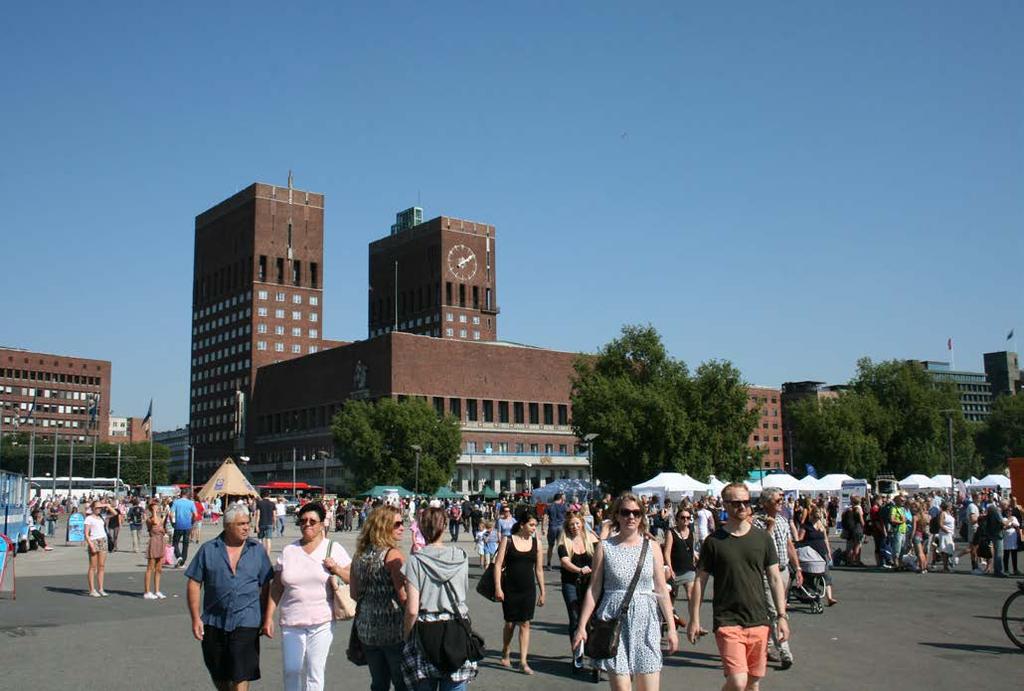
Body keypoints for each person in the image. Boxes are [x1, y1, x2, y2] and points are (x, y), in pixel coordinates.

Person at [688, 483, 790, 691]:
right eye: (736, 503)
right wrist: (694, 619)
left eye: (746, 502)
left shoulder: (762, 539)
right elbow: (700, 581)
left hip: (759, 620)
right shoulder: (714, 542)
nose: (742, 507)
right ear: (725, 505)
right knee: (737, 681)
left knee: (753, 682)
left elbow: (774, 578)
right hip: (727, 620)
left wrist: (781, 616)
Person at [574, 493, 677, 688]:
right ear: (617, 516)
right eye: (626, 512)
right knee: (621, 687)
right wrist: (581, 626)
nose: (631, 517)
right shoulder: (605, 547)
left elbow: (662, 589)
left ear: (642, 517)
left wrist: (671, 628)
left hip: (646, 621)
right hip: (615, 621)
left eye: (636, 513)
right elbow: (594, 589)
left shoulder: (652, 547)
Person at [262, 502, 351, 691]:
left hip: (322, 621)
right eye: (303, 521)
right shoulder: (289, 551)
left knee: (315, 671)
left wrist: (336, 568)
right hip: (291, 621)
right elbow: (277, 587)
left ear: (321, 525)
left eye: (312, 521)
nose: (307, 524)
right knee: (291, 669)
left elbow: (353, 578)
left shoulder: (333, 548)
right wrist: (268, 617)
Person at [187, 503, 274, 691]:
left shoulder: (257, 550)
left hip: (247, 619)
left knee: (241, 672)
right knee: (219, 672)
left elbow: (266, 585)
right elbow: (194, 582)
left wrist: (266, 617)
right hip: (214, 620)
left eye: (247, 523)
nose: (246, 528)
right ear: (227, 526)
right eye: (241, 524)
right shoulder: (208, 549)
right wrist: (195, 618)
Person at [401, 506, 478, 690]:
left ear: (421, 528)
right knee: (455, 684)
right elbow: (463, 591)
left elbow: (412, 609)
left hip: (426, 628)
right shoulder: (461, 556)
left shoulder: (415, 560)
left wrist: (406, 636)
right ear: (445, 526)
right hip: (455, 625)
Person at [351, 505, 407, 691]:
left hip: (367, 629)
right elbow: (403, 596)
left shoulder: (359, 555)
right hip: (393, 629)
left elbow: (354, 593)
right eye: (397, 524)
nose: (402, 527)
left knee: (379, 683)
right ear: (384, 526)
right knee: (402, 682)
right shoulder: (393, 555)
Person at [750, 489, 801, 670]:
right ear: (766, 503)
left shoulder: (782, 519)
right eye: (778, 500)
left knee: (779, 607)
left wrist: (798, 568)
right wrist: (769, 528)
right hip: (767, 573)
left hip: (784, 570)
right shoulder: (757, 521)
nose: (781, 502)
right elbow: (761, 548)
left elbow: (789, 545)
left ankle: (768, 647)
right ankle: (784, 650)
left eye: (782, 499)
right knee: (775, 611)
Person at [494, 508, 546, 674]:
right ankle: (506, 650)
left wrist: (543, 591)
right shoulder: (507, 540)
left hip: (528, 589)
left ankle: (523, 661)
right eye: (531, 525)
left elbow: (539, 569)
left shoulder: (536, 543)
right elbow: (498, 565)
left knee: (525, 623)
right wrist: (498, 587)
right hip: (509, 588)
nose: (533, 528)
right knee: (510, 623)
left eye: (535, 526)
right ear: (522, 524)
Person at [558, 511, 599, 673]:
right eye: (571, 525)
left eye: (577, 523)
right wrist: (579, 570)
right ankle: (577, 652)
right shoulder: (564, 542)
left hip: (591, 584)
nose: (574, 527)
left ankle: (593, 651)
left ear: (582, 523)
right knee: (575, 618)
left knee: (592, 618)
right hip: (571, 583)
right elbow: (564, 561)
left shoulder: (592, 539)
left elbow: (602, 555)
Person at [795, 505, 838, 606]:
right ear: (812, 515)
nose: (818, 518)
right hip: (810, 553)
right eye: (816, 516)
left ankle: (829, 598)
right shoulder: (806, 526)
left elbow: (825, 540)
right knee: (812, 575)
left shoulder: (821, 525)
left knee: (826, 575)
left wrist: (828, 552)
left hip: (822, 552)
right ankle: (811, 593)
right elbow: (800, 539)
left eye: (820, 516)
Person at [85, 500, 110, 597]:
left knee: (102, 566)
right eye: (97, 508)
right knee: (93, 566)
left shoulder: (101, 517)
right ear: (92, 508)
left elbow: (115, 513)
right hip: (94, 540)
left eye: (100, 508)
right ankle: (92, 589)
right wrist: (91, 545)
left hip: (103, 540)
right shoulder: (89, 518)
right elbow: (86, 534)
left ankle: (101, 588)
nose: (99, 509)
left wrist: (105, 505)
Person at [144, 500, 168, 599]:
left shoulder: (161, 518)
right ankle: (147, 591)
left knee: (159, 568)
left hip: (161, 542)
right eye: (154, 507)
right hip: (153, 542)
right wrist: (153, 511)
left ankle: (157, 590)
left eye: (157, 506)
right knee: (150, 567)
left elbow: (163, 527)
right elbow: (155, 522)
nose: (156, 508)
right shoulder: (149, 519)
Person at [172, 489, 199, 568]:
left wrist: (172, 523)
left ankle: (179, 557)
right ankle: (182, 562)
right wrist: (192, 521)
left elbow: (170, 514)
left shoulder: (176, 502)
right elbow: (196, 515)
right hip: (187, 526)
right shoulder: (191, 503)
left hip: (178, 525)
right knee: (185, 544)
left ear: (181, 494)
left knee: (175, 543)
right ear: (187, 494)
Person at [545, 493, 568, 569]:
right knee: (561, 546)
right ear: (560, 498)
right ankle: (563, 563)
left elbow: (545, 517)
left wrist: (542, 528)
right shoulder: (563, 506)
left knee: (550, 546)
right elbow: (567, 515)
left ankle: (549, 563)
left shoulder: (549, 506)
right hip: (561, 526)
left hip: (552, 526)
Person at [256, 491, 277, 556]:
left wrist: (256, 525)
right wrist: (274, 524)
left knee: (260, 539)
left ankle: (261, 553)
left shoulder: (259, 503)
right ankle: (267, 555)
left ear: (261, 496)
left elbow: (258, 515)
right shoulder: (272, 504)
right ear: (269, 496)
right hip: (270, 523)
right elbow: (274, 515)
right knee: (268, 540)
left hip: (261, 523)